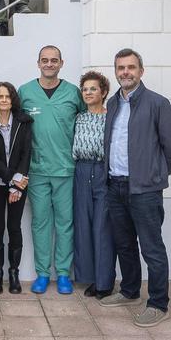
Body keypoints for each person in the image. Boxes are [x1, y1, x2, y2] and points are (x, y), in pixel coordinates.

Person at [100, 48, 171, 328]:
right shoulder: (112, 104)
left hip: (145, 190)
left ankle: (159, 303)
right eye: (121, 68)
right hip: (116, 185)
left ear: (141, 71)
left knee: (151, 248)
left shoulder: (157, 103)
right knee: (124, 244)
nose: (125, 72)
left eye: (131, 67)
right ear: (116, 72)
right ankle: (129, 291)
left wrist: (154, 174)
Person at [17, 45, 85, 295]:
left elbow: (88, 119)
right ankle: (43, 273)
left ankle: (64, 274)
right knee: (41, 223)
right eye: (44, 60)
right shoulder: (25, 92)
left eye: (53, 60)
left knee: (65, 223)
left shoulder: (72, 93)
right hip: (36, 170)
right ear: (38, 63)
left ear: (61, 63)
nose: (49, 64)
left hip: (66, 169)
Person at [0, 81, 32, 295]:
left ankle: (14, 273)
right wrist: (12, 177)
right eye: (0, 96)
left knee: (14, 227)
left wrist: (17, 187)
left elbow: (26, 154)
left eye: (7, 96)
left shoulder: (24, 121)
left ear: (13, 100)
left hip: (19, 186)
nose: (3, 100)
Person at [72, 71, 115, 299]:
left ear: (104, 92)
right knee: (83, 226)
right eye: (85, 89)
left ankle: (104, 281)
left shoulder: (111, 118)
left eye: (93, 89)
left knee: (102, 228)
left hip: (102, 172)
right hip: (81, 170)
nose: (88, 93)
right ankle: (90, 278)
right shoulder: (78, 118)